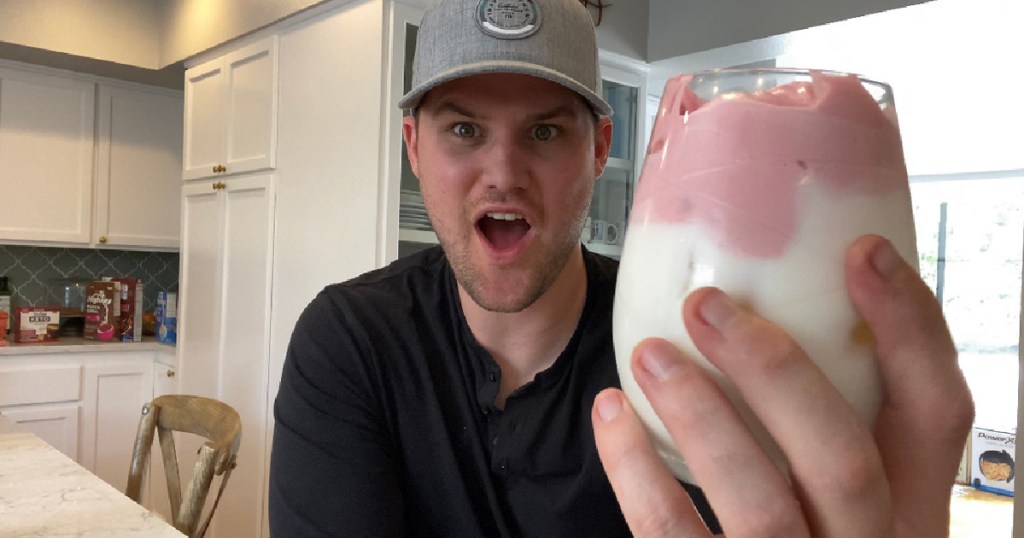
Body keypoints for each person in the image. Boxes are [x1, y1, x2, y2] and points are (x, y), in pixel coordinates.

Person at [269, 0, 974, 535]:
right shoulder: (350, 339)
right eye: (463, 130)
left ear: (600, 147)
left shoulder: (686, 352)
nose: (503, 174)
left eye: (545, 131)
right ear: (414, 149)